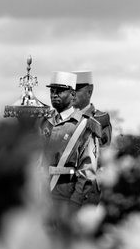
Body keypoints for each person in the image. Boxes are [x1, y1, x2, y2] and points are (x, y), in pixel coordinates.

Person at [40, 71, 99, 228]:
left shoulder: (86, 125)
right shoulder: (44, 123)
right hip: (42, 196)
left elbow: (88, 171)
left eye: (60, 91)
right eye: (52, 91)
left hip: (67, 195)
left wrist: (75, 202)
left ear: (73, 94)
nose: (54, 95)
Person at [73, 71, 113, 148]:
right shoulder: (60, 118)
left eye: (76, 90)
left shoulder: (100, 119)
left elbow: (103, 151)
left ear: (89, 91)